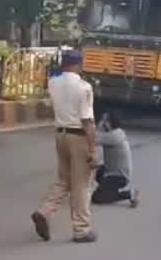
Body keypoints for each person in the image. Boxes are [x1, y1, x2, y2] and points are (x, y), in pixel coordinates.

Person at [30, 51, 99, 243]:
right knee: (82, 184)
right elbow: (87, 121)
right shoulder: (84, 87)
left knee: (64, 179)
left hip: (60, 134)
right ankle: (81, 229)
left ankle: (44, 211)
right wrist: (93, 150)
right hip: (78, 136)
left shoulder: (53, 82)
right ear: (79, 64)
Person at [92, 111, 139, 207]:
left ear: (111, 122)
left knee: (97, 198)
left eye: (105, 120)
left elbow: (92, 139)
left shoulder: (114, 136)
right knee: (95, 168)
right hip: (113, 171)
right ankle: (109, 190)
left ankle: (129, 194)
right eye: (102, 119)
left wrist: (98, 126)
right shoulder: (116, 133)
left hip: (119, 176)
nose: (102, 122)